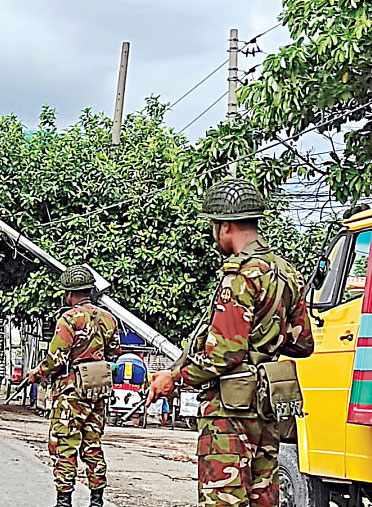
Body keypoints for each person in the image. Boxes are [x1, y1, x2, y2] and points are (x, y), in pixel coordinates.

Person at [147, 178, 314, 507]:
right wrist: (268, 338)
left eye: (213, 226)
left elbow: (224, 354)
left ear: (225, 226)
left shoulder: (240, 275)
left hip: (230, 413)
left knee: (223, 500)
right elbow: (302, 343)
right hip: (267, 410)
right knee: (263, 498)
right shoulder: (286, 272)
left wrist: (173, 379)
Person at [29, 265, 121, 507]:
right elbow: (114, 355)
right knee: (93, 444)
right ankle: (97, 501)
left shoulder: (69, 318)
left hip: (71, 393)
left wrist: (37, 373)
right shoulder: (109, 319)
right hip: (97, 391)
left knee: (66, 444)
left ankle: (64, 501)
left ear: (69, 295)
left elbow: (55, 358)